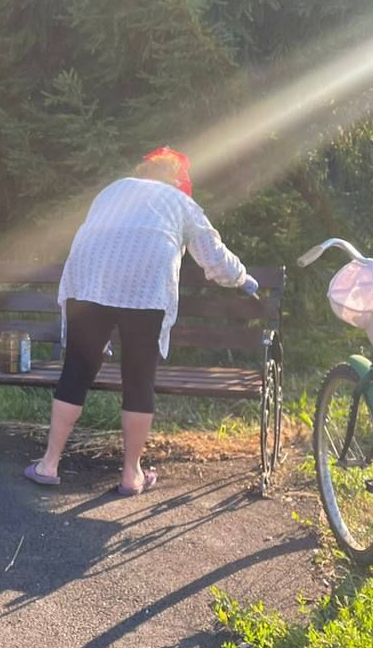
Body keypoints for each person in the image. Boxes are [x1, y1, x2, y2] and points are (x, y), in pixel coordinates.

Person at [24, 147, 258, 495]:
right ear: (179, 182)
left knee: (76, 369)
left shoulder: (113, 189)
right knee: (138, 376)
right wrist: (242, 279)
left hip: (89, 279)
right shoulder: (180, 202)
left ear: (144, 170)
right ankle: (131, 475)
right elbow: (213, 255)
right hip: (145, 287)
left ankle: (49, 464)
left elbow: (95, 236)